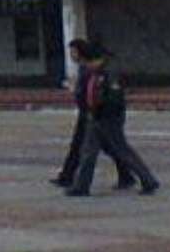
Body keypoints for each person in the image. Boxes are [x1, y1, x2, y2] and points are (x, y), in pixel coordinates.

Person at [67, 41, 159, 196]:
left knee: (122, 150)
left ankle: (148, 180)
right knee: (88, 152)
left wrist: (101, 110)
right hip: (95, 116)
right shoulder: (93, 73)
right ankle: (81, 186)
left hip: (108, 118)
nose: (86, 67)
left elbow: (115, 99)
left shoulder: (109, 73)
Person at [52, 38, 133, 190]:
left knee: (100, 148)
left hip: (96, 114)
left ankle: (132, 175)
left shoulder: (93, 68)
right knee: (84, 146)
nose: (71, 56)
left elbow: (98, 91)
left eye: (73, 52)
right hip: (89, 113)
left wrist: (92, 108)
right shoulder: (85, 68)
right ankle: (68, 177)